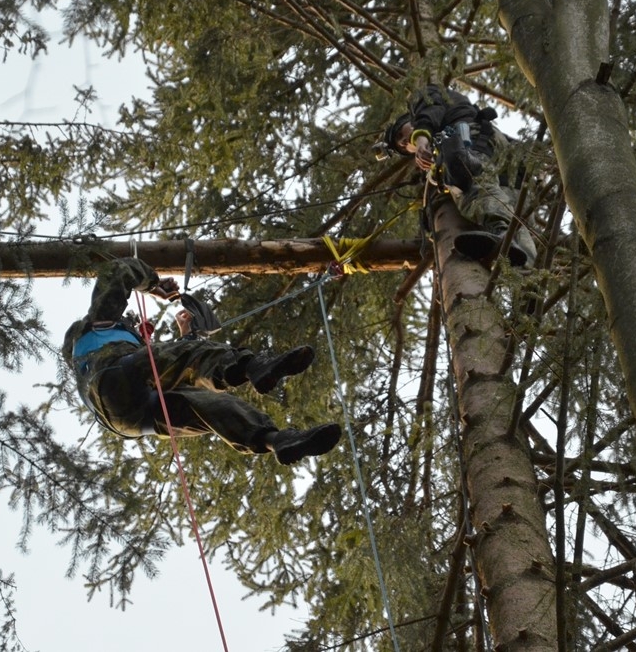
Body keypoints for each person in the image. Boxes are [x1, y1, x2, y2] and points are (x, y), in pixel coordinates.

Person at [62, 257, 342, 465]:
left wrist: (188, 336)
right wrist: (155, 285)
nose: (136, 327)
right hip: (111, 382)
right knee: (186, 358)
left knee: (209, 406)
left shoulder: (121, 354)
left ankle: (277, 440)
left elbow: (176, 363)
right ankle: (252, 366)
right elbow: (120, 270)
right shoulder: (97, 324)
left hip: (134, 419)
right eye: (132, 325)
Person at [374, 84, 537, 267]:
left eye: (400, 135)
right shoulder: (457, 115)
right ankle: (527, 274)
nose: (404, 142)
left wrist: (421, 140)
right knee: (516, 212)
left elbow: (429, 110)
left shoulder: (425, 99)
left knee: (470, 183)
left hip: (472, 138)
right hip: (502, 152)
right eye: (403, 147)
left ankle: (501, 231)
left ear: (410, 119)